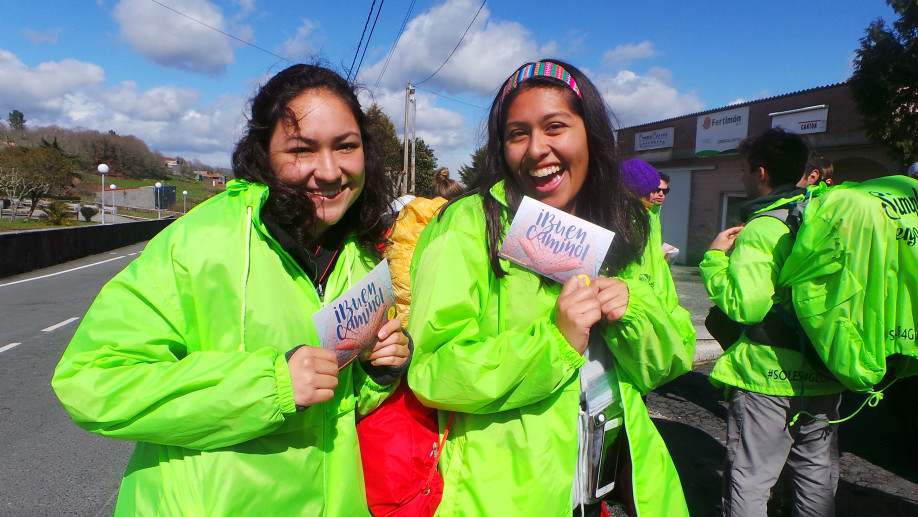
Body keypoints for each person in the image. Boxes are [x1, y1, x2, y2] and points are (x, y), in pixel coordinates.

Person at [51, 64, 411, 516]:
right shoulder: (199, 242)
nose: (329, 171)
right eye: (301, 149)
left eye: (346, 146)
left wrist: (378, 371)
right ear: (263, 153)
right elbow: (91, 381)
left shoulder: (360, 258)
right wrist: (271, 385)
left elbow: (334, 402)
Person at [406, 60, 695, 517]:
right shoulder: (468, 225)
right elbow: (433, 370)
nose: (536, 149)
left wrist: (635, 311)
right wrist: (554, 344)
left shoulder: (633, 224)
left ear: (590, 133)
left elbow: (668, 360)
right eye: (517, 133)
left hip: (602, 487)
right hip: (506, 496)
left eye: (555, 126)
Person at [699, 128, 844, 517]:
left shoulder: (764, 226)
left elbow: (745, 307)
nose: (743, 178)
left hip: (767, 377)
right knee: (816, 478)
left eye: (745, 170)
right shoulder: (827, 219)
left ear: (760, 172)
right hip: (826, 367)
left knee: (751, 480)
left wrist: (714, 259)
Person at [621, 159, 678, 264]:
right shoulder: (634, 216)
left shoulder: (655, 213)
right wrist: (660, 254)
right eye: (656, 190)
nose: (660, 194)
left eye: (665, 191)